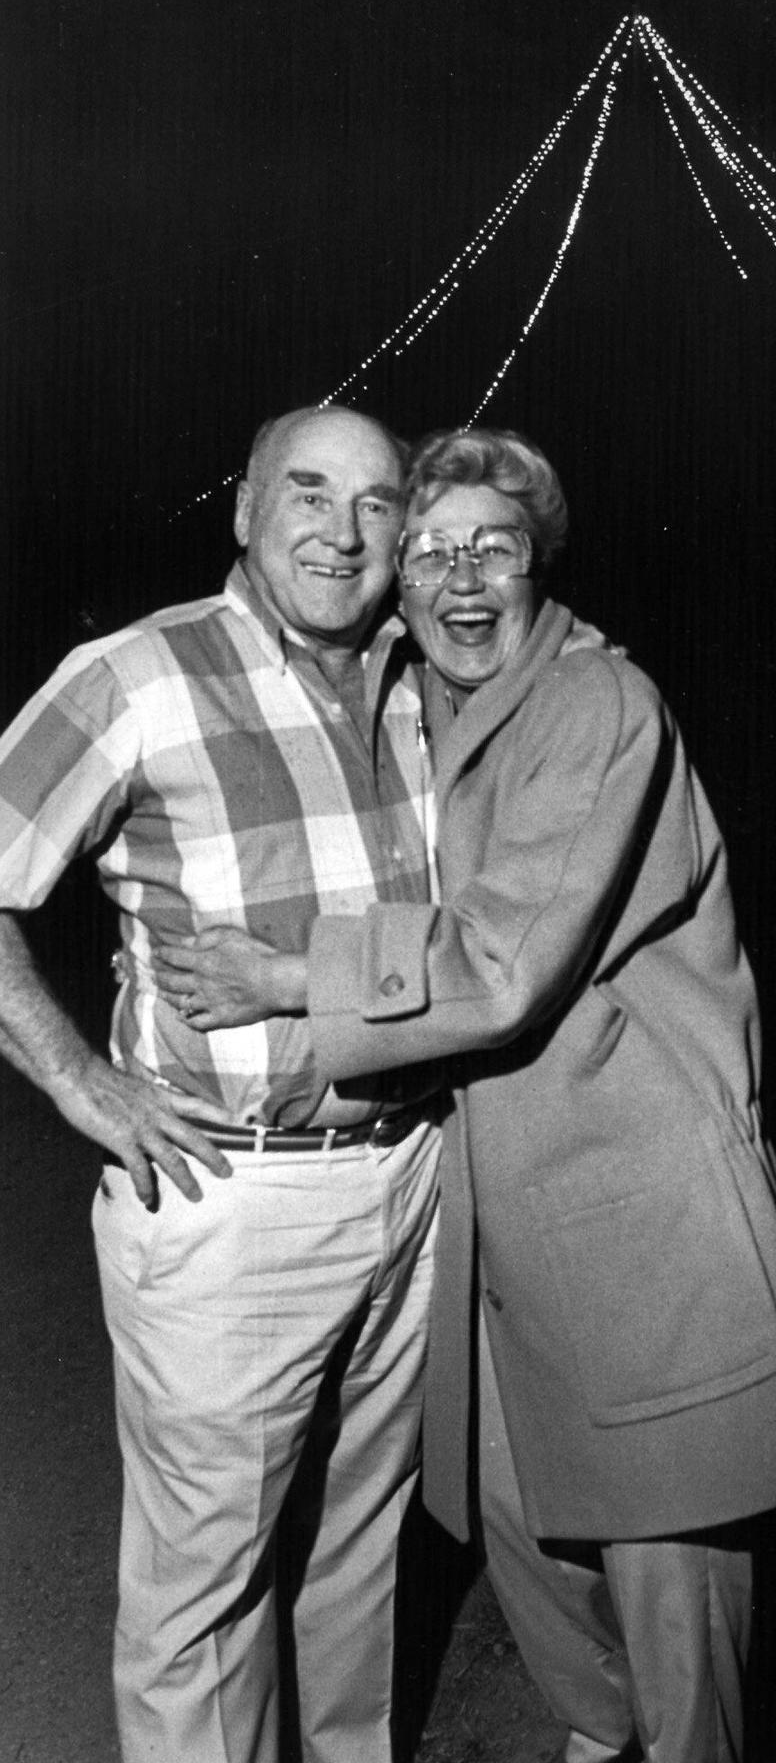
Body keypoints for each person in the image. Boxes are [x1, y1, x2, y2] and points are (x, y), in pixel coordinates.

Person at [156, 427, 776, 1763]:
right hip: (500, 1206)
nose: (462, 577)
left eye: (497, 546)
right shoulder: (427, 702)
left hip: (643, 1203)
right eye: (430, 550)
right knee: (520, 1528)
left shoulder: (598, 705)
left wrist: (287, 976)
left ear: (542, 564)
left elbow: (502, 959)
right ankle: (603, 1735)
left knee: (669, 1559)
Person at [0, 405, 445, 1763]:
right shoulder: (137, 675)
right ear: (245, 510)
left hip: (417, 1175)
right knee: (205, 1596)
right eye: (308, 493)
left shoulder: (424, 682)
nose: (343, 533)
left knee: (362, 1553)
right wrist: (81, 1081)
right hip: (231, 1202)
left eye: (377, 504)